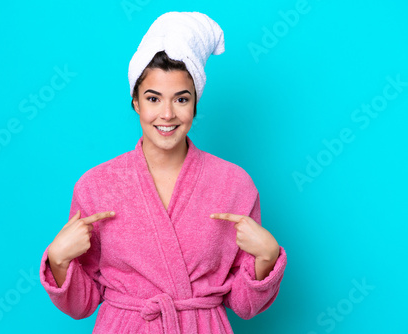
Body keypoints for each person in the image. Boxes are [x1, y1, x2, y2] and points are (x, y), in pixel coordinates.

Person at [39, 11, 287, 334]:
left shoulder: (234, 185)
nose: (167, 114)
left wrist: (267, 258)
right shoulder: (96, 186)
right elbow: (82, 303)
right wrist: (58, 261)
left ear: (195, 102)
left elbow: (242, 305)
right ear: (136, 103)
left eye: (181, 99)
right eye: (153, 98)